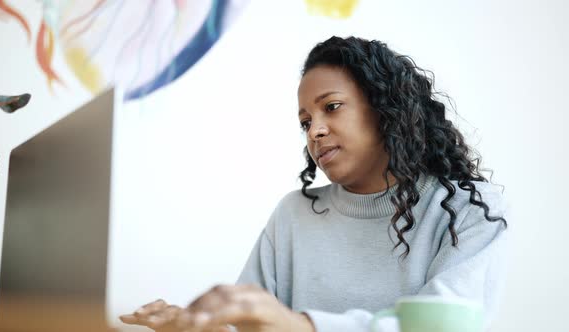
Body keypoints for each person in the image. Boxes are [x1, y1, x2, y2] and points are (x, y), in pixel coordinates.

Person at [119, 36, 508, 332]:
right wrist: (200, 326)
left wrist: (302, 325)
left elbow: (444, 327)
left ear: (386, 110)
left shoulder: (469, 210)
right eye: (305, 122)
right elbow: (253, 324)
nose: (315, 131)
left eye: (331, 107)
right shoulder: (293, 215)